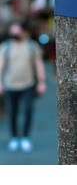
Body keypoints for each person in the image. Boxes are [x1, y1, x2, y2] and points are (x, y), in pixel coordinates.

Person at [0, 21, 46, 153]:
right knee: (13, 113)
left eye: (17, 30)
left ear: (22, 31)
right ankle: (14, 137)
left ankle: (25, 137)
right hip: (10, 85)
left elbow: (39, 65)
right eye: (12, 31)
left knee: (27, 111)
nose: (14, 33)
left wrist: (41, 82)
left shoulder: (31, 46)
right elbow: (1, 65)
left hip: (28, 85)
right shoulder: (5, 47)